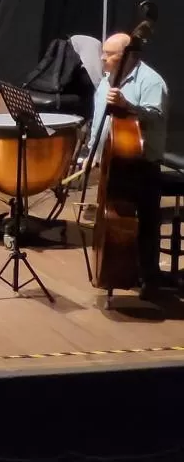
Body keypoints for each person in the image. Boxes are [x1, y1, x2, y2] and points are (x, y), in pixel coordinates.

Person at [87, 32, 168, 298]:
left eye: (110, 54)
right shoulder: (107, 80)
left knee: (144, 223)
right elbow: (100, 118)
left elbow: (155, 117)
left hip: (141, 164)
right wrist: (92, 152)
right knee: (112, 217)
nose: (103, 57)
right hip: (114, 160)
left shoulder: (152, 82)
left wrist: (128, 105)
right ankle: (119, 270)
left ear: (129, 56)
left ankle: (150, 278)